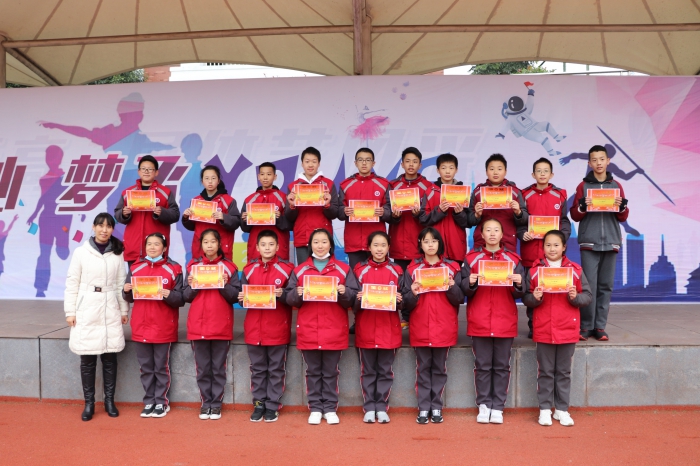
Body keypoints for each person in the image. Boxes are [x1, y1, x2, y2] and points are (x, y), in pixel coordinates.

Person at [284, 228, 359, 425]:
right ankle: (316, 407)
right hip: (309, 328)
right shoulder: (300, 270)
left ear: (331, 245)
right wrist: (297, 293)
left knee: (331, 371)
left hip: (334, 328)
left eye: (324, 241)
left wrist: (344, 292)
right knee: (313, 371)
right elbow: (289, 298)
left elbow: (354, 298)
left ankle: (330, 408)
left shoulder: (343, 269)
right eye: (316, 242)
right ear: (310, 245)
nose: (320, 245)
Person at [522, 230, 592, 427]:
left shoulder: (575, 270)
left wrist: (575, 297)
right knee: (545, 371)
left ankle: (562, 410)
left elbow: (587, 296)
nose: (552, 249)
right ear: (543, 248)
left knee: (563, 372)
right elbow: (526, 298)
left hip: (567, 328)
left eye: (556, 245)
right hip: (544, 327)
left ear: (564, 247)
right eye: (548, 245)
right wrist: (534, 298)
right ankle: (545, 409)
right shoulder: (534, 271)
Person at [64, 213, 129, 421]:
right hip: (87, 307)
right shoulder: (81, 252)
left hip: (110, 306)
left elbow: (120, 284)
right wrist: (70, 312)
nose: (104, 230)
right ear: (93, 227)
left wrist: (123, 310)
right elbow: (72, 282)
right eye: (100, 226)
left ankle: (109, 401)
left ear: (112, 229)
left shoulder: (117, 252)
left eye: (108, 226)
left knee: (110, 358)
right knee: (87, 358)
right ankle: (89, 404)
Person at [461, 219, 525, 425]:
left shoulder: (513, 259)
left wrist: (519, 283)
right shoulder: (471, 259)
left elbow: (521, 292)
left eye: (496, 230)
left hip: (504, 319)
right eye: (487, 230)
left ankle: (498, 406)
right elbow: (462, 289)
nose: (491, 233)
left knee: (501, 366)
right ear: (481, 234)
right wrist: (469, 282)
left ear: (502, 234)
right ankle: (483, 405)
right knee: (482, 365)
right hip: (479, 319)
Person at [401, 227, 464, 425]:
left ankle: (436, 406)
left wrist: (452, 286)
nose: (430, 245)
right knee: (423, 368)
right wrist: (412, 293)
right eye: (426, 241)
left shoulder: (453, 267)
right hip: (421, 325)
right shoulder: (412, 269)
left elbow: (459, 298)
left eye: (434, 241)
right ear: (420, 244)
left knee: (439, 369)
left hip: (444, 325)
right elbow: (405, 303)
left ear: (439, 243)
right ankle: (423, 407)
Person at [570, 145, 629, 342]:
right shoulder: (583, 186)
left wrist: (621, 207)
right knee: (589, 286)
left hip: (611, 241)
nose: (598, 163)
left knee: (606, 286)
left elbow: (623, 217)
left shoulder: (616, 185)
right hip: (589, 241)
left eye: (602, 159)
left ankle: (600, 326)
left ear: (608, 161)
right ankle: (586, 326)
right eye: (594, 160)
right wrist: (582, 206)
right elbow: (575, 215)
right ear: (589, 163)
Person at [122, 233, 185, 418]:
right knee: (146, 368)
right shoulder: (136, 267)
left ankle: (161, 402)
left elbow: (181, 299)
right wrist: (126, 291)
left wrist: (168, 294)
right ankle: (149, 400)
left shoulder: (174, 269)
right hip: (141, 325)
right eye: (149, 244)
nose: (152, 247)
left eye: (156, 244)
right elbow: (129, 297)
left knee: (161, 367)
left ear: (164, 248)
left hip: (162, 326)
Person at [183, 229, 241, 421]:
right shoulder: (193, 267)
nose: (209, 245)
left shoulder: (230, 267)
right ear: (201, 245)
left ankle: (215, 404)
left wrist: (224, 284)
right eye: (205, 242)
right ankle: (205, 402)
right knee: (202, 369)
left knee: (217, 368)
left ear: (219, 244)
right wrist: (192, 285)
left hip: (220, 324)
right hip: (198, 324)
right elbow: (185, 296)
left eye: (213, 241)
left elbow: (236, 297)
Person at [239, 230, 295, 423]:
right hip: (254, 329)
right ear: (257, 247)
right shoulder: (248, 269)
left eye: (271, 244)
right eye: (263, 245)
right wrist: (242, 297)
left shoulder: (287, 269)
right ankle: (259, 403)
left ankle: (272, 405)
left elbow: (294, 297)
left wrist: (283, 294)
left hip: (277, 328)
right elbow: (242, 297)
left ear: (278, 247)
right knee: (258, 369)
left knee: (276, 369)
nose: (267, 248)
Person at [353, 231, 404, 424]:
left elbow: (406, 299)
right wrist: (357, 298)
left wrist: (400, 300)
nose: (379, 249)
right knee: (367, 371)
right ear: (369, 247)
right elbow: (351, 299)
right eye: (375, 245)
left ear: (389, 247)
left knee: (385, 371)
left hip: (388, 328)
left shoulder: (397, 270)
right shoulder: (359, 269)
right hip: (366, 327)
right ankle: (369, 407)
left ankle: (381, 407)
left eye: (383, 245)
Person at [518, 157, 571, 338]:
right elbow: (518, 222)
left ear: (551, 174)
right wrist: (522, 233)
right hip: (531, 251)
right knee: (533, 291)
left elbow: (564, 221)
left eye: (545, 171)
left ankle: (552, 325)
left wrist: (562, 238)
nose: (542, 174)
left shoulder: (560, 195)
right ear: (533, 174)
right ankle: (534, 326)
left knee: (553, 291)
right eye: (538, 171)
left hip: (553, 253)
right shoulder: (524, 194)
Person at [114, 155, 180, 266]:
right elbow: (117, 214)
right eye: (143, 169)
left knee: (155, 278)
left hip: (156, 250)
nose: (146, 171)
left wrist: (162, 212)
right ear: (139, 171)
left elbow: (175, 214)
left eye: (150, 169)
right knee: (134, 277)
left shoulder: (165, 192)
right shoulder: (128, 193)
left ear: (156, 172)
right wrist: (124, 213)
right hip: (134, 248)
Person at [26, 145, 72, 297]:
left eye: (54, 156)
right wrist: (34, 214)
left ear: (60, 158)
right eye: (48, 156)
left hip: (63, 219)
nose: (50, 160)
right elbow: (43, 198)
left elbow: (73, 197)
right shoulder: (44, 179)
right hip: (46, 218)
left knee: (63, 253)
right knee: (44, 253)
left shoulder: (67, 177)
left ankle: (62, 244)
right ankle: (40, 288)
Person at [337, 148, 391, 270]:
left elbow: (391, 210)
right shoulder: (345, 185)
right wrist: (344, 211)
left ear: (373, 163)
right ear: (355, 163)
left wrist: (384, 212)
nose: (364, 163)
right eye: (361, 160)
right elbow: (338, 211)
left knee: (378, 276)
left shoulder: (383, 184)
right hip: (354, 241)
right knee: (356, 277)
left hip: (377, 243)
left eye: (368, 160)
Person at [285, 147, 339, 265]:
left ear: (319, 163)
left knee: (325, 271)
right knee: (304, 272)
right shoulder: (293, 186)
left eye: (314, 161)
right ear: (302, 163)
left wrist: (327, 205)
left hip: (323, 240)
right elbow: (289, 217)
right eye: (307, 161)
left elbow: (335, 213)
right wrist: (292, 206)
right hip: (302, 237)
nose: (310, 165)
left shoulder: (328, 184)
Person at [385, 147, 435, 272]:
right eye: (407, 161)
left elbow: (432, 215)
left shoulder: (428, 186)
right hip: (398, 243)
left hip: (420, 243)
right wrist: (394, 216)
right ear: (402, 164)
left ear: (420, 165)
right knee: (401, 280)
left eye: (415, 161)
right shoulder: (393, 185)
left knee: (419, 281)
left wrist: (419, 214)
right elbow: (386, 211)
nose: (411, 164)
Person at [467, 154, 528, 252]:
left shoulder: (514, 192)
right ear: (486, 171)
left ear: (505, 171)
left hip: (508, 241)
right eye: (491, 169)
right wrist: (477, 215)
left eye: (499, 169)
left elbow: (525, 219)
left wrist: (518, 212)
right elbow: (469, 220)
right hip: (482, 242)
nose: (495, 172)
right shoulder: (478, 192)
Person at [419, 153, 470, 264]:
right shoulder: (430, 191)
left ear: (456, 170)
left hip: (456, 245)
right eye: (443, 168)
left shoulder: (463, 192)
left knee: (456, 275)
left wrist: (459, 214)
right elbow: (423, 219)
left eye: (451, 168)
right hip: (435, 248)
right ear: (438, 170)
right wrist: (439, 211)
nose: (447, 171)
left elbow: (468, 222)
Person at [181, 165, 241, 260]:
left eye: (213, 178)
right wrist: (185, 217)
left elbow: (237, 222)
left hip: (222, 249)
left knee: (222, 270)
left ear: (218, 181)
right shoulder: (196, 201)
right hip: (200, 249)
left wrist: (224, 217)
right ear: (202, 182)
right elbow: (192, 227)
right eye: (207, 178)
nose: (210, 181)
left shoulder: (228, 200)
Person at [240, 162, 291, 262]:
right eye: (262, 174)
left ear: (275, 177)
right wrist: (244, 220)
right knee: (255, 271)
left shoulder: (284, 198)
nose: (265, 177)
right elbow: (244, 228)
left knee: (280, 271)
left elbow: (290, 224)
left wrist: (280, 218)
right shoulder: (249, 199)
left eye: (269, 174)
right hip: (256, 248)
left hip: (279, 248)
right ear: (258, 176)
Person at [0, 214, 18, 280]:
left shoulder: (3, 234)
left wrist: (13, 220)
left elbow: (9, 229)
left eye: (1, 226)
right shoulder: (3, 234)